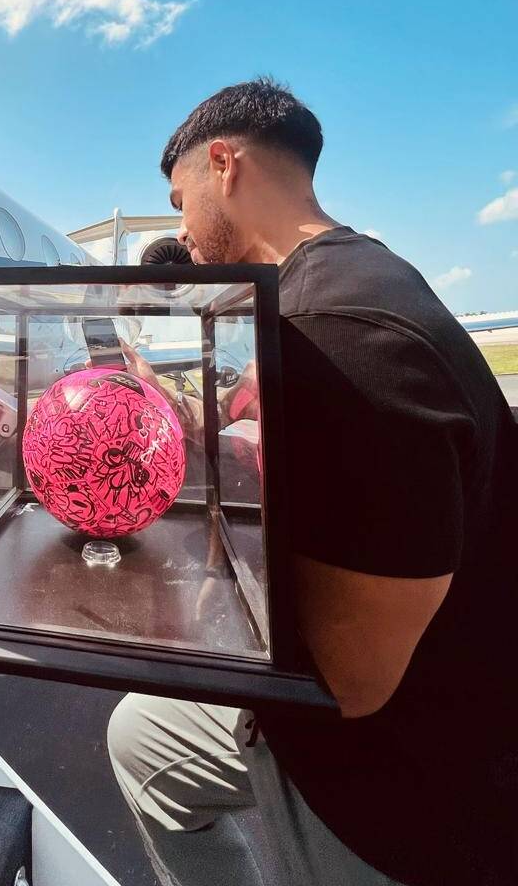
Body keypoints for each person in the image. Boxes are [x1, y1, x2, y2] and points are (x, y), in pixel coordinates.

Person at [107, 78, 517, 886]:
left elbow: (350, 685)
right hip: (425, 688)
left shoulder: (333, 331)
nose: (180, 231)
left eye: (179, 201)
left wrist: (176, 598)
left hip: (414, 762)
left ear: (223, 164)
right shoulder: (338, 279)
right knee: (139, 737)